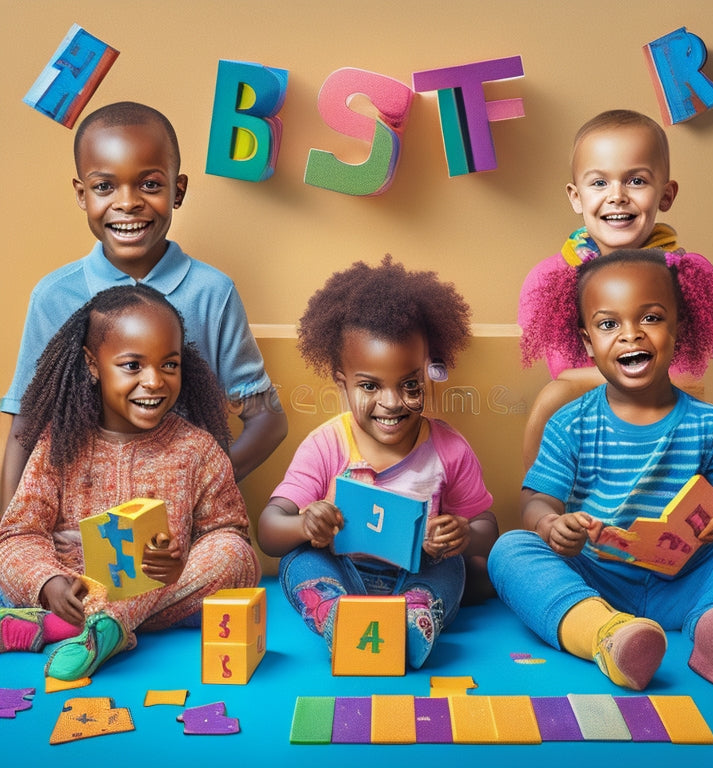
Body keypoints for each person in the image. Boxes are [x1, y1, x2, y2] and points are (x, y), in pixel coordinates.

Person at [489, 248, 713, 691]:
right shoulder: (571, 423)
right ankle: (605, 634)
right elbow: (538, 497)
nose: (630, 335)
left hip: (685, 579)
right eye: (608, 324)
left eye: (651, 319)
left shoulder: (711, 422)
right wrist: (550, 522)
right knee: (510, 549)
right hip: (598, 578)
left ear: (679, 329)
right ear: (586, 343)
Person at [1, 101, 287, 511]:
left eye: (150, 185)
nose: (128, 202)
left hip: (182, 528)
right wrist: (11, 536)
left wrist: (201, 488)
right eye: (105, 187)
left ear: (179, 190)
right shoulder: (54, 296)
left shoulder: (213, 293)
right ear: (82, 195)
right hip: (77, 521)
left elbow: (268, 419)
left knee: (230, 556)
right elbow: (24, 428)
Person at [0, 284, 260, 680]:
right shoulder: (60, 443)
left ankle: (80, 627)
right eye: (132, 365)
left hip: (169, 583)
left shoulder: (196, 448)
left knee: (235, 555)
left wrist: (175, 563)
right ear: (93, 365)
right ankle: (86, 620)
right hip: (74, 587)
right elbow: (19, 533)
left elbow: (228, 534)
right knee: (10, 559)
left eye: (169, 365)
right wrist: (48, 581)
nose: (154, 381)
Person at [258, 256, 498, 669]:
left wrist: (464, 535)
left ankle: (416, 618)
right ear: (341, 381)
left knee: (453, 568)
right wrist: (303, 525)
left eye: (410, 385)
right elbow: (268, 531)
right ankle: (335, 616)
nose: (391, 402)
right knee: (298, 562)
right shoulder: (326, 445)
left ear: (428, 373)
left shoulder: (449, 449)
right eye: (370, 386)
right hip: (342, 575)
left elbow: (488, 530)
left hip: (417, 578)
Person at [518, 109, 694, 468]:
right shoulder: (548, 280)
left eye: (636, 181)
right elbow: (562, 379)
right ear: (576, 196)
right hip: (584, 440)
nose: (617, 196)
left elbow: (688, 376)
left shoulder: (687, 275)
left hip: (669, 437)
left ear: (666, 194)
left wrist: (581, 380)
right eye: (599, 183)